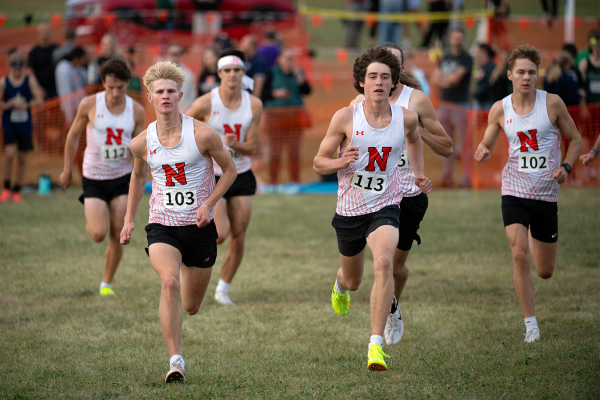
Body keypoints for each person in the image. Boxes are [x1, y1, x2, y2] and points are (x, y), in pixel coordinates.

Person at [313, 47, 432, 371]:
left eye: (385, 77)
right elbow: (319, 161)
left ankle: (375, 345)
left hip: (386, 205)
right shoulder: (346, 117)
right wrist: (340, 161)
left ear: (394, 82)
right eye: (372, 77)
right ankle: (340, 285)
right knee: (353, 280)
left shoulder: (406, 117)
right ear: (361, 82)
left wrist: (419, 174)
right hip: (350, 209)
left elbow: (415, 140)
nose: (379, 82)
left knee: (383, 263)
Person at [120, 61, 237, 383]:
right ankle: (176, 360)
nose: (166, 96)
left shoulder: (202, 134)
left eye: (171, 91)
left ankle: (190, 286)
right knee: (169, 282)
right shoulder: (141, 142)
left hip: (199, 228)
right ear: (150, 97)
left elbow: (230, 170)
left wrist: (210, 204)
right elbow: (137, 176)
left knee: (191, 307)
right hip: (162, 225)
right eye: (160, 92)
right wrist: (129, 219)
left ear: (180, 95)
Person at [474, 45, 582, 343]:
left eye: (532, 72)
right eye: (520, 72)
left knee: (545, 271)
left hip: (546, 195)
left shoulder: (553, 104)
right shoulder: (500, 108)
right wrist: (483, 150)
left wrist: (566, 166)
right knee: (519, 255)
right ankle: (531, 325)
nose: (526, 77)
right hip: (514, 190)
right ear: (510, 75)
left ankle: (537, 238)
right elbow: (487, 142)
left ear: (538, 75)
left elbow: (575, 139)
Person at [349, 42, 452, 348]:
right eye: (376, 69)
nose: (381, 76)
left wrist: (416, 131)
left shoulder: (416, 102)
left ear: (399, 72)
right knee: (372, 265)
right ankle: (348, 283)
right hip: (372, 194)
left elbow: (447, 147)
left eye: (390, 66)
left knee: (394, 266)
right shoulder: (359, 102)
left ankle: (391, 306)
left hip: (408, 194)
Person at [60, 59, 146, 296]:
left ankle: (106, 284)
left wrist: (144, 172)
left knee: (118, 234)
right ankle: (91, 210)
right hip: (94, 177)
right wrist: (67, 170)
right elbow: (73, 136)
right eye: (110, 87)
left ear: (127, 84)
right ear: (103, 84)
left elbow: (141, 148)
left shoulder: (136, 110)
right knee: (98, 233)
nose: (115, 92)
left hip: (121, 178)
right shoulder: (89, 105)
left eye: (120, 87)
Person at [186, 49, 263, 305]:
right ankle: (190, 265)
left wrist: (234, 144)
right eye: (227, 70)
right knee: (220, 234)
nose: (232, 75)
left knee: (239, 235)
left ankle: (223, 289)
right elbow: (183, 131)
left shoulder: (254, 104)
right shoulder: (205, 102)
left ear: (243, 73)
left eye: (237, 70)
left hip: (241, 173)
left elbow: (252, 147)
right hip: (213, 175)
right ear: (218, 74)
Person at [430, 27, 473, 187]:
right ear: (450, 39)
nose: (457, 41)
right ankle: (447, 177)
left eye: (460, 38)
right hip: (444, 106)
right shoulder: (446, 57)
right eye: (455, 38)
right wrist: (446, 80)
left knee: (466, 144)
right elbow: (434, 78)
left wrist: (445, 80)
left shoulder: (466, 58)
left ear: (464, 40)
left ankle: (467, 178)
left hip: (460, 106)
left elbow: (455, 79)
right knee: (446, 144)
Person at [261, 48, 311, 183]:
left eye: (291, 58)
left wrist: (299, 76)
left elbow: (307, 91)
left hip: (294, 117)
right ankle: (273, 182)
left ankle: (295, 181)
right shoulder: (272, 73)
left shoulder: (297, 73)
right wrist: (276, 94)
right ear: (279, 59)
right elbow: (263, 94)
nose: (289, 61)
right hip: (275, 117)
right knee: (275, 151)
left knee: (294, 151)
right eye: (286, 58)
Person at [0, 52, 44, 203]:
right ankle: (6, 187)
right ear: (10, 67)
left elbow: (39, 99)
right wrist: (7, 105)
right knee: (9, 154)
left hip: (24, 123)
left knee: (22, 157)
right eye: (14, 68)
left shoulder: (29, 80)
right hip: (9, 123)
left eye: (20, 68)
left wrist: (26, 105)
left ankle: (17, 189)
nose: (17, 71)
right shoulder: (4, 82)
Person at [55, 47, 88, 124]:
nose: (84, 61)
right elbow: (66, 93)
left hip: (78, 108)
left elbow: (87, 79)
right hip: (70, 110)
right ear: (77, 58)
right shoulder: (64, 69)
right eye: (83, 58)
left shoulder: (76, 67)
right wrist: (69, 117)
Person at [27, 23, 58, 99]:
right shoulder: (34, 52)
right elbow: (31, 73)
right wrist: (38, 88)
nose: (47, 33)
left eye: (48, 31)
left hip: (57, 89)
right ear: (39, 34)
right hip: (42, 91)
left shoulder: (56, 49)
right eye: (45, 31)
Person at [165, 43, 197, 112]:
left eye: (176, 54)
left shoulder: (188, 75)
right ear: (167, 54)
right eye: (172, 54)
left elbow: (192, 95)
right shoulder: (158, 71)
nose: (174, 56)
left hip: (182, 113)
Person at [579, 30, 600, 106]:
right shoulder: (584, 64)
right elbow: (582, 88)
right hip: (590, 106)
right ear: (591, 46)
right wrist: (583, 105)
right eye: (595, 46)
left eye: (599, 46)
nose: (597, 49)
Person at [474, 43, 497, 110]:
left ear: (484, 51)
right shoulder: (482, 66)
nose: (476, 54)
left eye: (477, 52)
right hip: (482, 101)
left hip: (488, 101)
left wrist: (475, 94)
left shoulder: (491, 66)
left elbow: (488, 84)